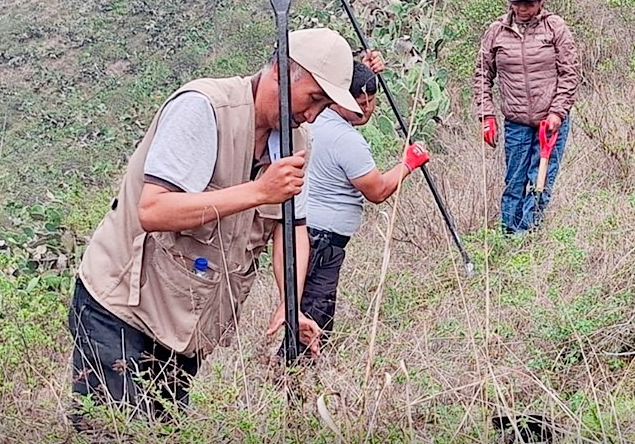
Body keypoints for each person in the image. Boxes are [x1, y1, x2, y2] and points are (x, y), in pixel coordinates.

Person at [68, 28, 411, 421]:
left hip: (185, 323)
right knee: (113, 430)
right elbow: (153, 210)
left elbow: (291, 226)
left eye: (324, 106)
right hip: (122, 308)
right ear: (282, 72)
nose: (313, 114)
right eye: (313, 98)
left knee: (163, 428)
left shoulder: (294, 141)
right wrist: (259, 191)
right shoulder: (204, 109)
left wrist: (290, 303)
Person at [280, 59, 428, 354]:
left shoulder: (313, 122)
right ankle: (293, 376)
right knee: (314, 311)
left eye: (372, 101)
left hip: (306, 230)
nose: (368, 109)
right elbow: (377, 190)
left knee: (302, 305)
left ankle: (294, 371)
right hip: (322, 241)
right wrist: (410, 162)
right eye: (360, 102)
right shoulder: (347, 140)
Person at [475, 0, 579, 234]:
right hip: (516, 123)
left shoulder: (555, 28)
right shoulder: (496, 32)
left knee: (540, 181)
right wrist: (487, 115)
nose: (523, 8)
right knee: (514, 181)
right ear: (510, 0)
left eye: (529, 3)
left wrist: (557, 113)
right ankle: (509, 234)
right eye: (518, 2)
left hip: (551, 123)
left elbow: (570, 73)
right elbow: (482, 74)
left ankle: (528, 234)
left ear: (541, 0)